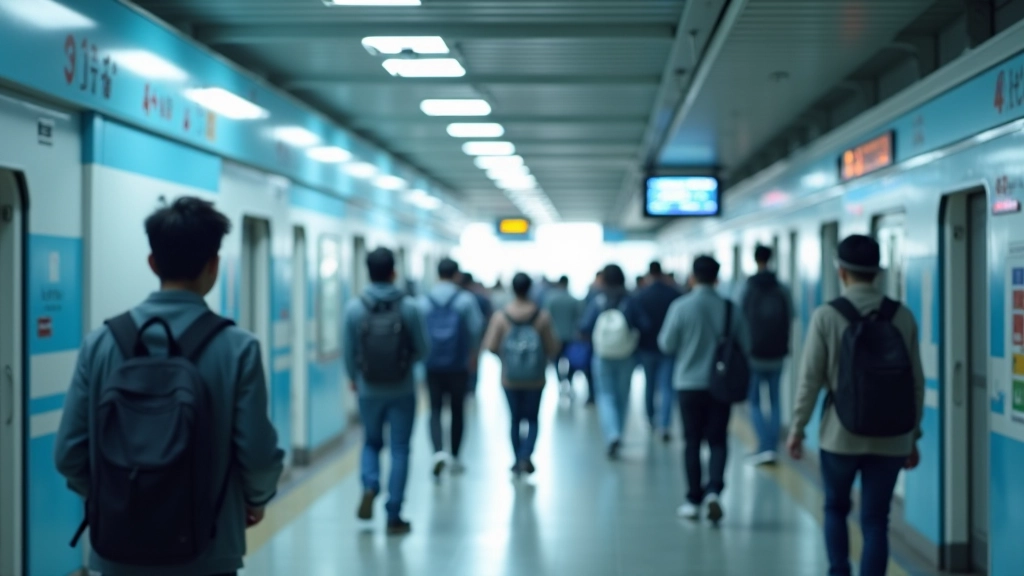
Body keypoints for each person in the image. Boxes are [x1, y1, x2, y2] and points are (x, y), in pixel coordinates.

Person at [55, 197, 284, 576]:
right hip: (208, 549)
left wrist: (118, 498)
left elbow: (68, 454)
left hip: (119, 550)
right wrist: (255, 499)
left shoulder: (101, 344)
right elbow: (258, 455)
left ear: (153, 263)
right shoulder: (238, 348)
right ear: (213, 265)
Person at [787, 235, 924, 576]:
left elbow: (810, 380)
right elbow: (915, 384)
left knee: (835, 508)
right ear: (877, 273)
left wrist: (797, 429)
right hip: (892, 437)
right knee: (876, 519)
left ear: (842, 271)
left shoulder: (826, 316)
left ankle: (839, 571)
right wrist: (912, 436)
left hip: (840, 436)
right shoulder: (902, 316)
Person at [344, 248, 429, 535]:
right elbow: (423, 348)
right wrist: (405, 364)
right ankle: (394, 515)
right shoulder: (410, 307)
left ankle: (370, 485)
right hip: (402, 388)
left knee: (370, 442)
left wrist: (354, 378)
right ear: (394, 272)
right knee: (400, 448)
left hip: (368, 389)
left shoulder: (354, 308)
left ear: (368, 272)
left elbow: (349, 352)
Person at [659, 256, 750, 523]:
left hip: (688, 384)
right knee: (718, 440)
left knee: (692, 441)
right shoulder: (731, 308)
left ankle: (692, 499)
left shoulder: (680, 306)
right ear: (717, 279)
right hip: (721, 384)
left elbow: (666, 344)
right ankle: (714, 491)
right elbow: (746, 344)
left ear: (692, 277)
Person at [482, 273, 560, 475]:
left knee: (515, 419)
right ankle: (526, 455)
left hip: (510, 378)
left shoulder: (501, 316)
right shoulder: (541, 316)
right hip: (536, 378)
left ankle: (517, 459)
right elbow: (552, 347)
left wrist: (507, 358)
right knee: (532, 418)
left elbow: (490, 346)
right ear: (530, 289)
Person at [420, 257, 485, 476]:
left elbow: (418, 331)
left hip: (432, 364)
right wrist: (473, 355)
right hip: (458, 364)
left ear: (437, 274)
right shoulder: (465, 300)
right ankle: (455, 457)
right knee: (458, 410)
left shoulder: (424, 300)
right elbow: (476, 329)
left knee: (435, 409)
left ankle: (438, 452)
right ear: (456, 275)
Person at [580, 264, 647, 459]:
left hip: (603, 355)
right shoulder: (630, 300)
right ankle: (619, 433)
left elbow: (585, 325)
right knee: (622, 395)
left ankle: (612, 434)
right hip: (626, 354)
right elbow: (644, 324)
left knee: (605, 395)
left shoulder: (597, 299)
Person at [736, 245, 795, 465]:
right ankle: (773, 446)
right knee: (775, 401)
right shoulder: (782, 287)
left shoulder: (746, 287)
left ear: (755, 259)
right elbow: (792, 315)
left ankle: (764, 445)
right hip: (777, 353)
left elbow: (738, 319)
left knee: (754, 402)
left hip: (753, 354)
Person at [633, 262, 683, 442]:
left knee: (650, 384)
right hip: (669, 348)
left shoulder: (641, 295)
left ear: (649, 274)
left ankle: (651, 418)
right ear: (661, 274)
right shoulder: (674, 294)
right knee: (667, 386)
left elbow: (636, 321)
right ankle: (665, 424)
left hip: (647, 348)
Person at [544, 276, 585, 398]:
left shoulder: (551, 299)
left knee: (557, 361)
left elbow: (546, 317)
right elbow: (580, 318)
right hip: (571, 336)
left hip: (555, 336)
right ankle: (569, 381)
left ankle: (560, 382)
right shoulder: (573, 300)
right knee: (571, 361)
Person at [459, 271, 493, 394]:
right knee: (473, 363)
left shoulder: (461, 298)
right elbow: (481, 322)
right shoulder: (478, 298)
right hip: (474, 339)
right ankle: (472, 388)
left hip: (458, 342)